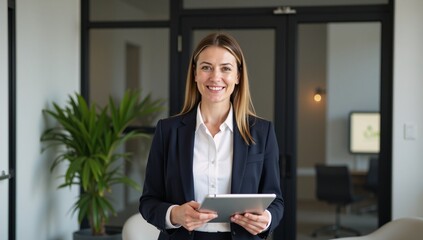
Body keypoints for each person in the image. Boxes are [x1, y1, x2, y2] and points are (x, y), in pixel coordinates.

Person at [139, 32, 284, 240]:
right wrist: (175, 214)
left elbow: (277, 201)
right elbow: (148, 201)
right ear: (195, 74)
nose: (215, 77)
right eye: (206, 67)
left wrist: (267, 219)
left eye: (226, 68)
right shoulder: (167, 131)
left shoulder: (262, 132)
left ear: (237, 76)